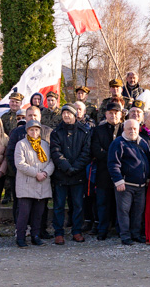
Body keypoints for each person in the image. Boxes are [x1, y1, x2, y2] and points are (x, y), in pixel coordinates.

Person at [50, 104, 92, 244]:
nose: (66, 116)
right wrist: (67, 167)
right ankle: (59, 232)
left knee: (78, 205)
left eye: (69, 113)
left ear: (75, 115)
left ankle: (77, 231)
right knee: (59, 205)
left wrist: (75, 168)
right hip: (61, 175)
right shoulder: (56, 132)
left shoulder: (84, 132)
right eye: (64, 113)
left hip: (78, 175)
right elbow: (55, 152)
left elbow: (86, 153)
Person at [108, 119, 150, 245]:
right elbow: (113, 164)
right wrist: (118, 180)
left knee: (138, 211)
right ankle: (125, 236)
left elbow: (148, 160)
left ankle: (136, 234)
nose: (132, 131)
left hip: (141, 185)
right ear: (124, 129)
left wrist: (147, 177)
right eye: (129, 128)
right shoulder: (118, 143)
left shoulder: (142, 142)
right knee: (124, 211)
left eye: (135, 128)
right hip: (125, 185)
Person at [13, 119, 53, 247]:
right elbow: (20, 163)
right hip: (27, 183)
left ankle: (35, 236)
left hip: (42, 182)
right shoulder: (21, 144)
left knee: (38, 213)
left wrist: (45, 173)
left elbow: (51, 162)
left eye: (36, 130)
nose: (34, 132)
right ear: (27, 131)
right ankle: (21, 237)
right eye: (31, 130)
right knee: (24, 213)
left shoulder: (45, 145)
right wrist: (36, 173)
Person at [91, 102, 123, 240]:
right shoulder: (99, 130)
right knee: (103, 203)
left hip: (121, 173)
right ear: (106, 114)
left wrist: (110, 155)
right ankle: (102, 229)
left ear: (121, 115)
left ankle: (119, 228)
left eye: (116, 113)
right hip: (103, 172)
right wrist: (113, 156)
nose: (113, 115)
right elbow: (96, 150)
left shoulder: (125, 129)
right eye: (110, 113)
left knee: (120, 203)